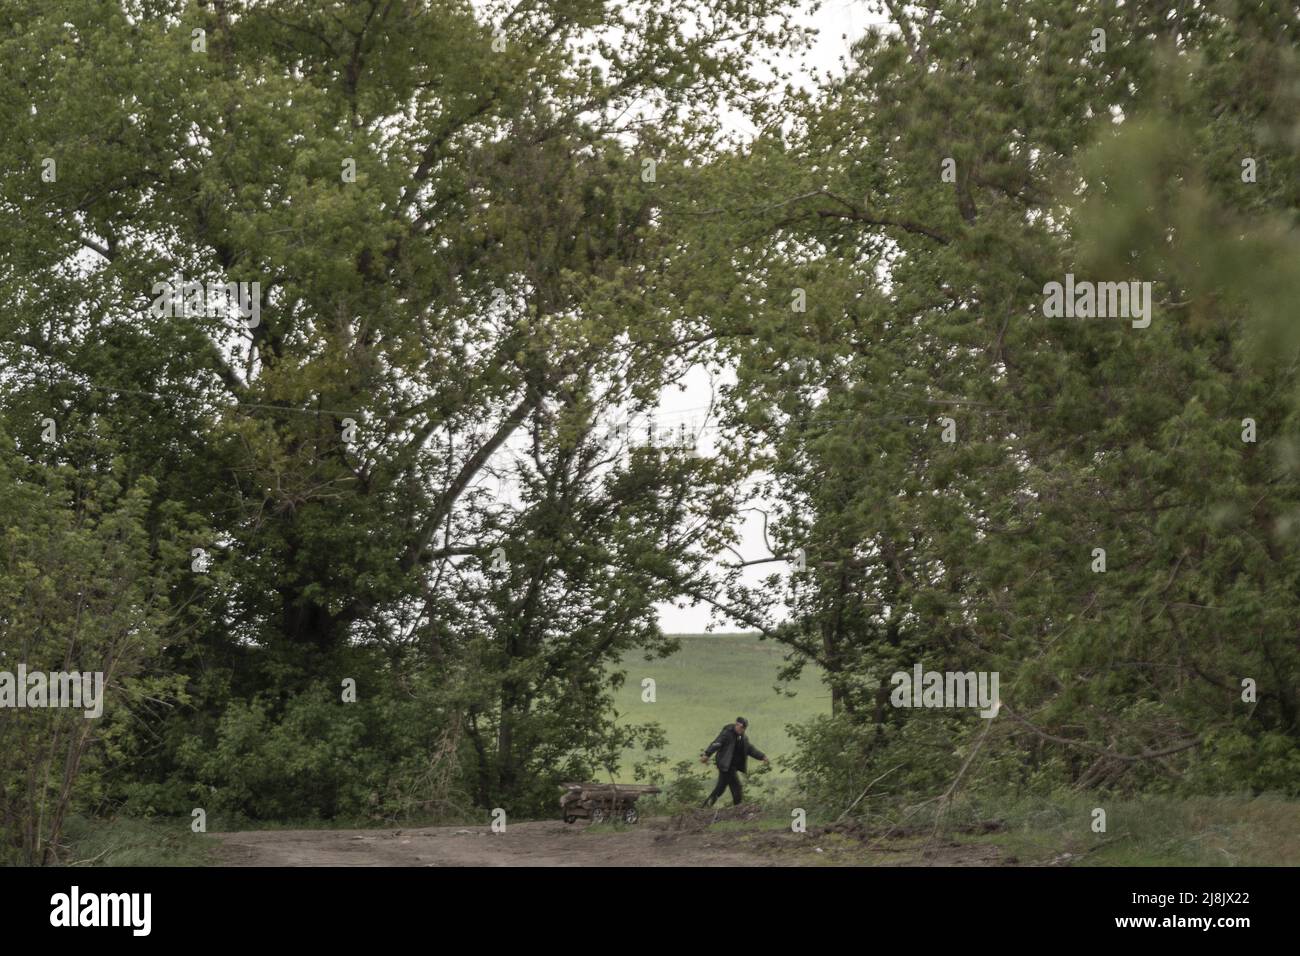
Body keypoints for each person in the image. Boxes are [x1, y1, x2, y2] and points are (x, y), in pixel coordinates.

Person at [699, 716, 769, 807]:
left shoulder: (742, 737)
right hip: (725, 765)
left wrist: (762, 756)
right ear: (736, 724)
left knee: (720, 788)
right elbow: (717, 743)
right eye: (741, 727)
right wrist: (707, 754)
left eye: (744, 728)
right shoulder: (727, 733)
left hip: (731, 766)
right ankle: (738, 808)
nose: (742, 730)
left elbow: (749, 749)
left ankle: (705, 806)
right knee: (737, 787)